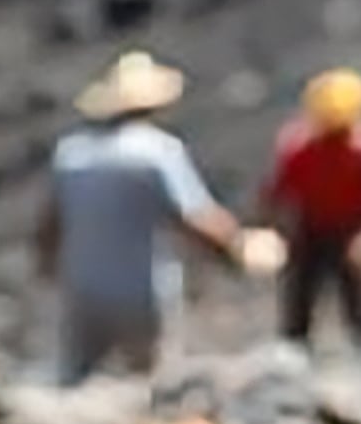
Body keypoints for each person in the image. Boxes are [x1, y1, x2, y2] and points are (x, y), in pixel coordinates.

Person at [37, 51, 280, 380]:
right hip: (139, 288)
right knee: (151, 380)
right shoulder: (156, 152)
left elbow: (50, 224)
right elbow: (194, 217)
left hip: (82, 286)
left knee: (75, 377)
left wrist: (48, 268)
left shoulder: (72, 154)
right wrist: (235, 248)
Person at [262, 67, 361, 347]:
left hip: (357, 231)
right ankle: (295, 350)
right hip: (310, 231)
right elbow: (276, 192)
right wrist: (272, 232)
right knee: (298, 300)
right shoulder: (299, 145)